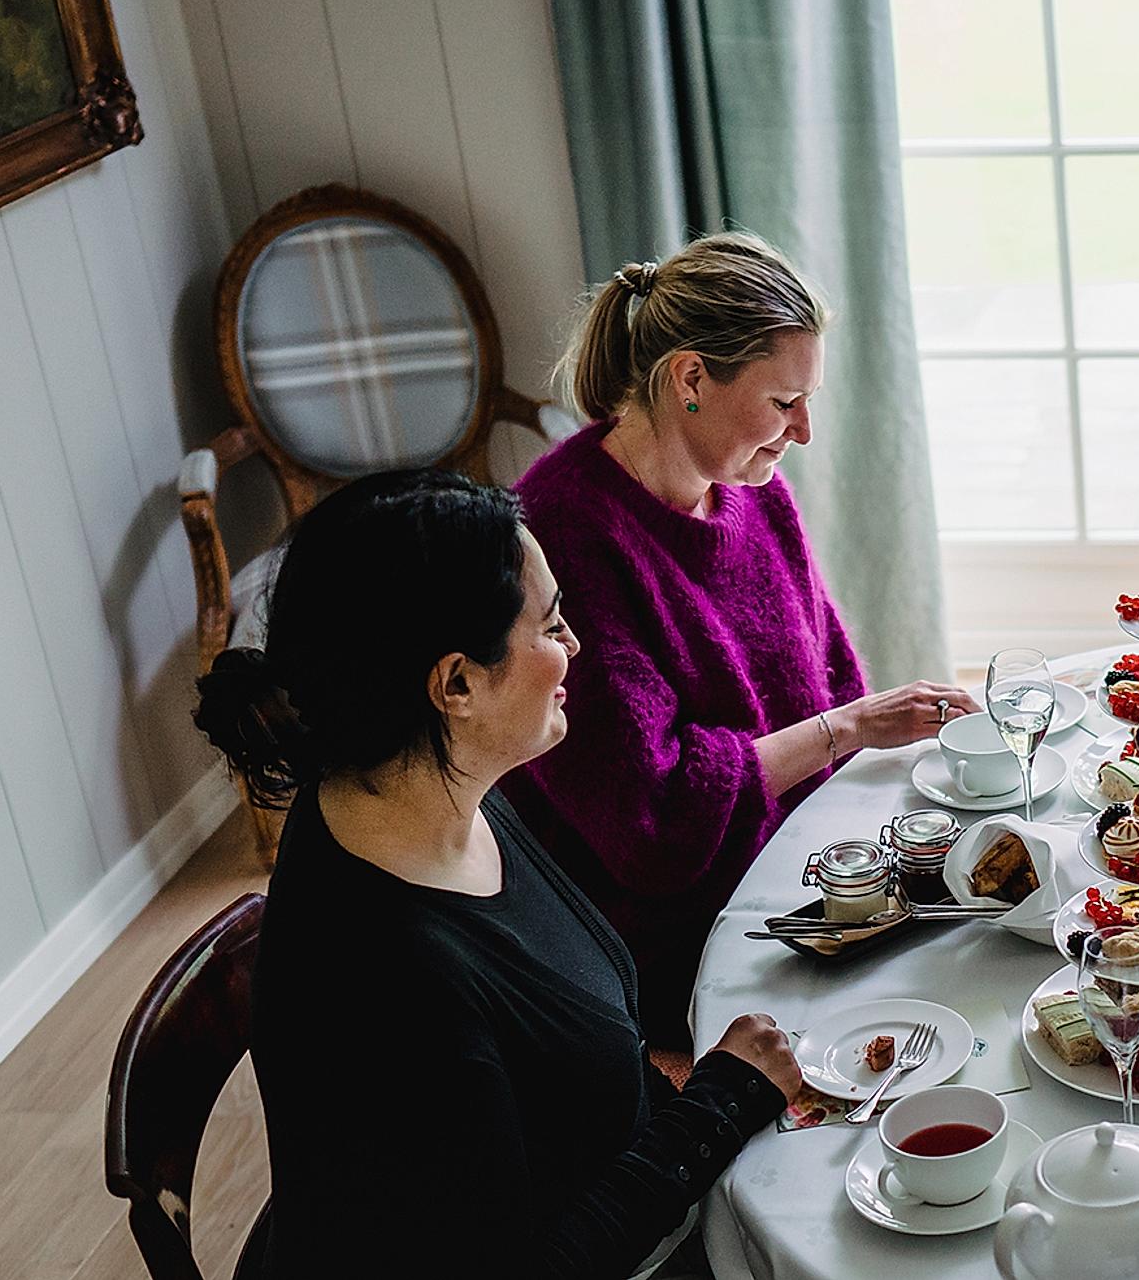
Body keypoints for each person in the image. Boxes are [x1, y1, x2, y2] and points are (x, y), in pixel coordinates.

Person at [193, 469, 801, 1279]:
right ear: (456, 684)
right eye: (550, 626)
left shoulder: (427, 791)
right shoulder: (389, 981)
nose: (575, 646)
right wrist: (718, 1103)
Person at [502, 233, 976, 1047]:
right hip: (676, 933)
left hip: (801, 866)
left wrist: (869, 769)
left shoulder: (754, 496)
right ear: (690, 378)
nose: (805, 431)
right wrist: (851, 728)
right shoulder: (567, 532)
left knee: (996, 934)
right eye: (783, 402)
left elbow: (828, 680)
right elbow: (650, 824)